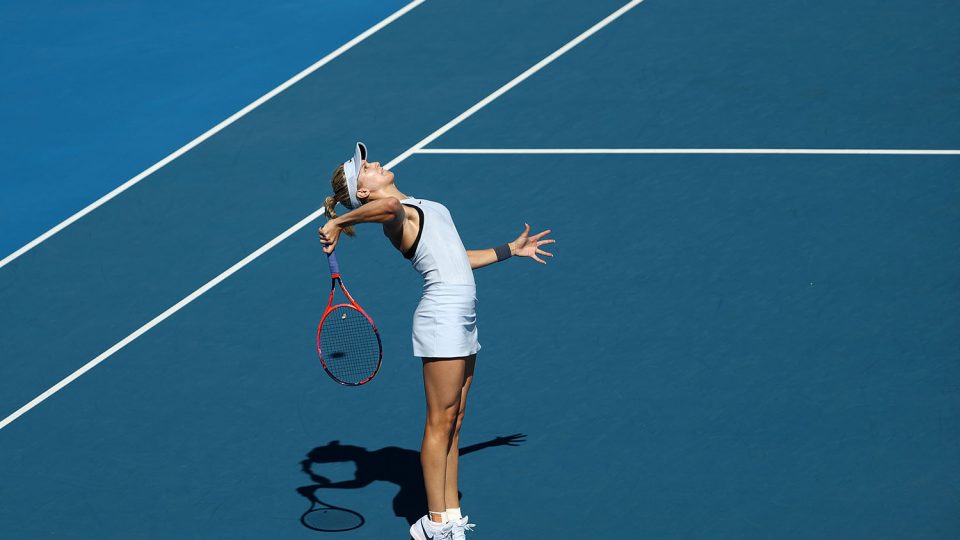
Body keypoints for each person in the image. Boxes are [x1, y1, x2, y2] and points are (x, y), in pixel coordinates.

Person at [317, 142, 554, 539]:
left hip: (463, 317)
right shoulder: (395, 214)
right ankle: (435, 524)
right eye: (366, 168)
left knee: (456, 419)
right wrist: (339, 223)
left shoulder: (423, 205)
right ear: (366, 193)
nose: (375, 162)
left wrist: (508, 250)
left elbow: (458, 256)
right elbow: (389, 210)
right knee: (439, 421)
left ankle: (451, 516)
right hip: (441, 318)